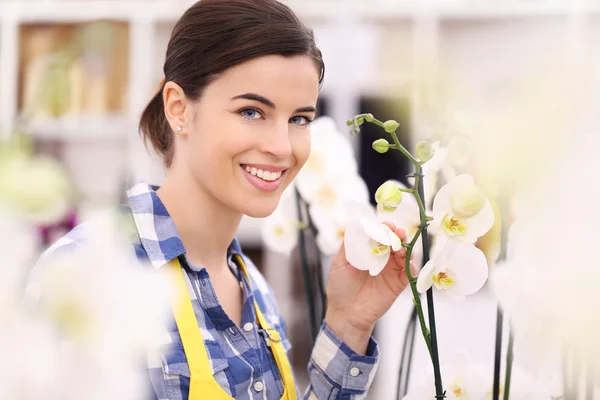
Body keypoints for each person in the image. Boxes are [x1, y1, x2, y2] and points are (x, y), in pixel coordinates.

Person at [33, 0, 414, 398]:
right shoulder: (87, 274)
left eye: (299, 119)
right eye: (251, 112)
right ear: (178, 108)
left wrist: (348, 325)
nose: (282, 146)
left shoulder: (256, 292)